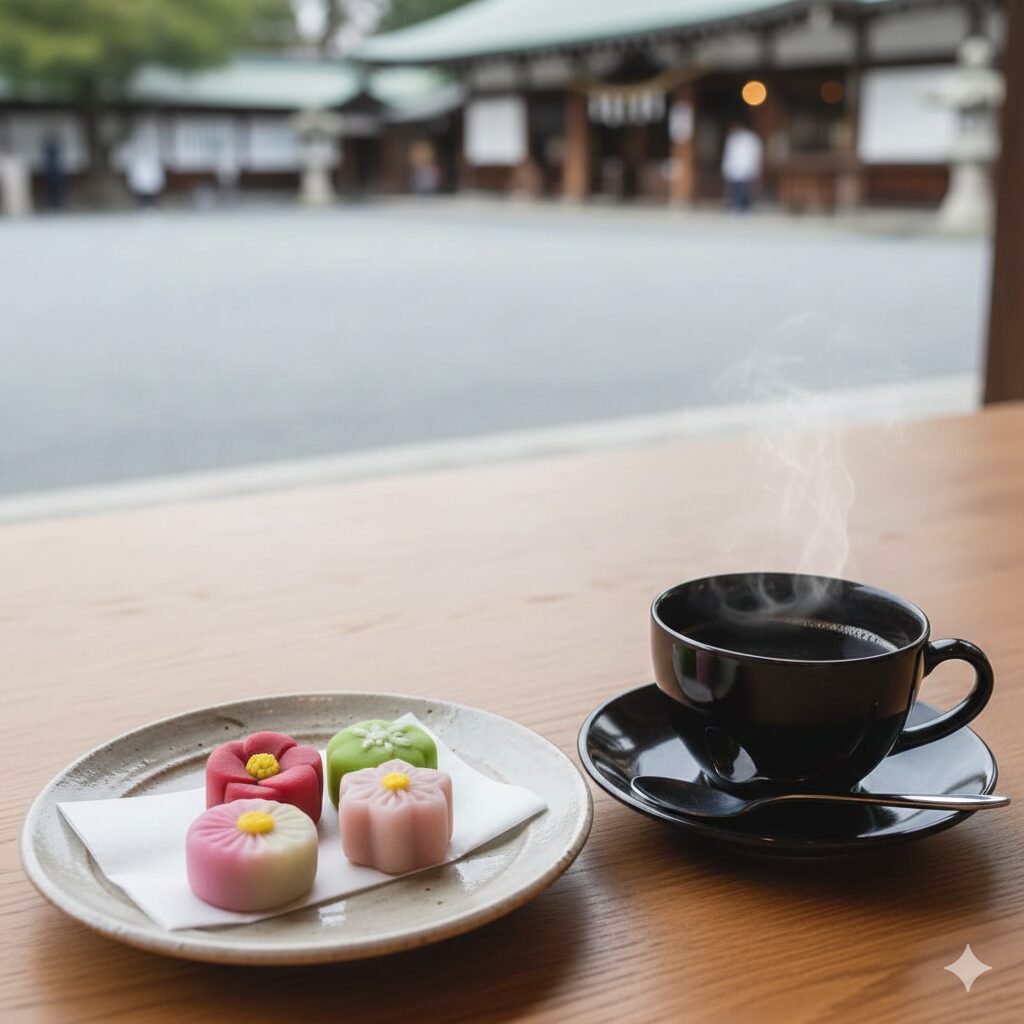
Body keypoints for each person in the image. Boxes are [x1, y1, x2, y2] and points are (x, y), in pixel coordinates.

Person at [721, 121, 763, 212]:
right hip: (734, 168)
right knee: (735, 189)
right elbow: (729, 154)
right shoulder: (732, 139)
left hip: (746, 167)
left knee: (745, 189)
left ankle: (745, 206)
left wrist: (755, 168)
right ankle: (736, 205)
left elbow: (755, 154)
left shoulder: (751, 138)